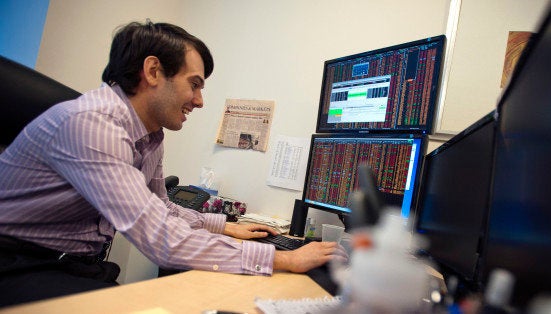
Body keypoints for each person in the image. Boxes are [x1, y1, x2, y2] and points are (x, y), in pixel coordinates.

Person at [0, 21, 344, 306]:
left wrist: (223, 226)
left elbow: (161, 208)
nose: (199, 101)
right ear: (153, 71)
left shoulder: (149, 135)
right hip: (18, 264)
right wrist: (286, 258)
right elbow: (160, 238)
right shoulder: (91, 125)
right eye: (194, 85)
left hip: (70, 266)